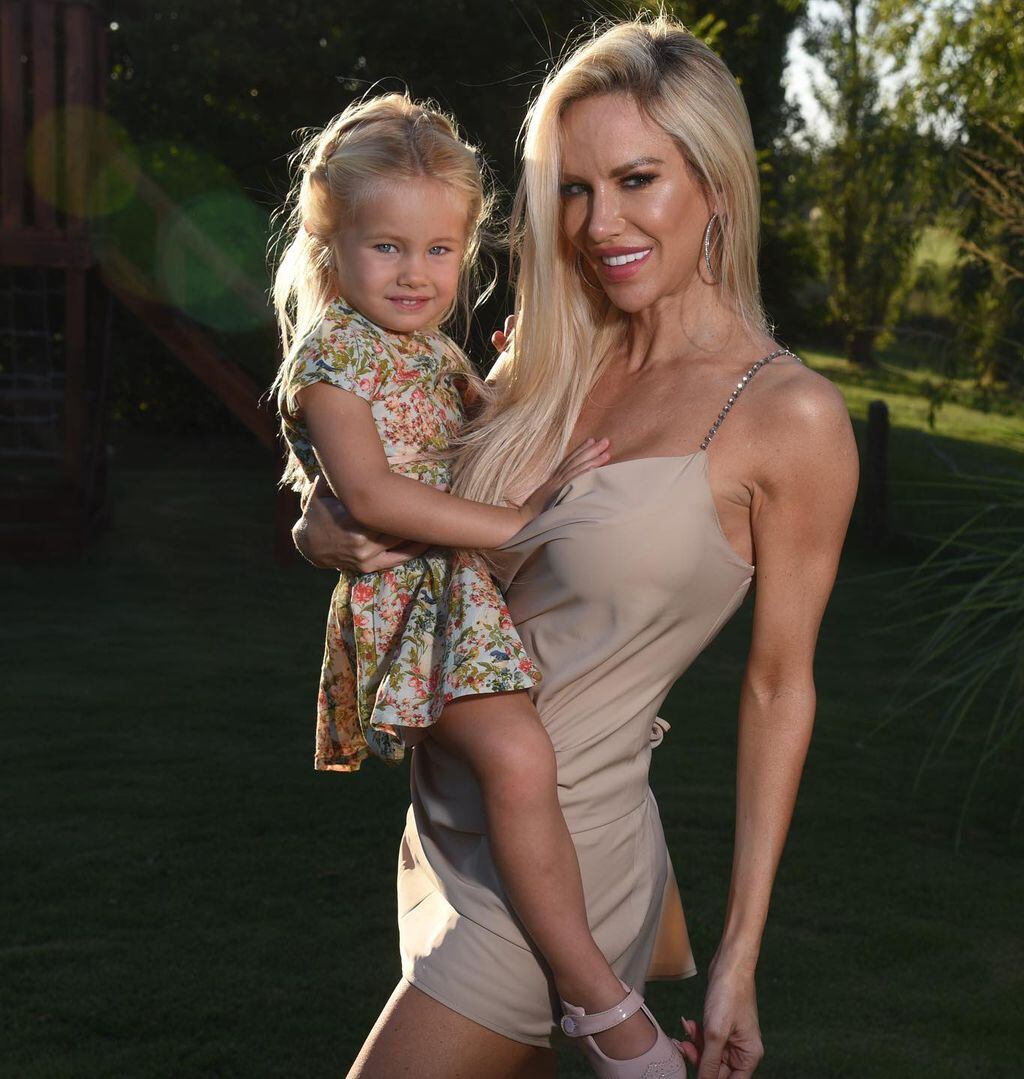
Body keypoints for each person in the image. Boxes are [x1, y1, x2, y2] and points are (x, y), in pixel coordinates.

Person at [294, 16, 859, 1079]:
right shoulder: (540, 361)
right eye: (575, 187)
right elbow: (406, 515)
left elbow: (781, 689)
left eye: (638, 179)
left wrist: (739, 957)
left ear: (716, 185)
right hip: (449, 825)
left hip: (560, 846)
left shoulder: (792, 417)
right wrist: (319, 528)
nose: (603, 223)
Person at [272, 92, 687, 1076]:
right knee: (515, 754)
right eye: (387, 248)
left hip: (464, 601)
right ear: (335, 255)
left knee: (526, 767)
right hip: (413, 609)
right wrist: (528, 521)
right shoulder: (330, 357)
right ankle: (600, 1001)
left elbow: (478, 444)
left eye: (439, 250)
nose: (416, 273)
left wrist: (515, 393)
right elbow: (375, 494)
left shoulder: (437, 356)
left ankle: (578, 983)